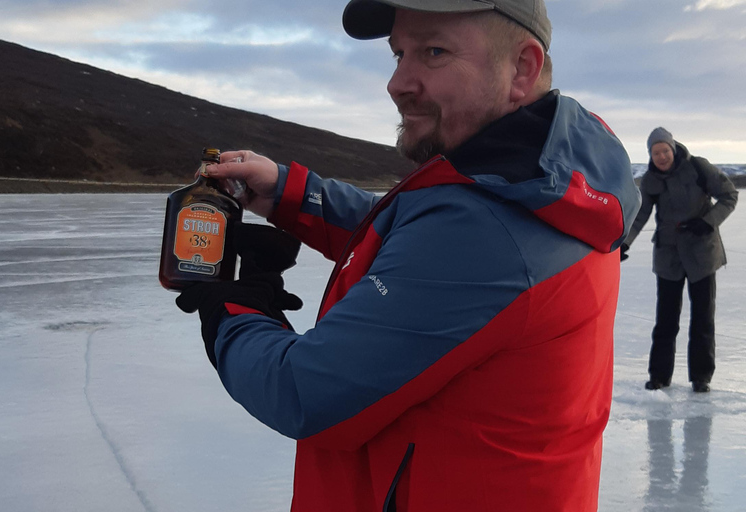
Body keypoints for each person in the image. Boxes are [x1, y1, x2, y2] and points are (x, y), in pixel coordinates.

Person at [175, 0, 640, 510]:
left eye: (434, 51)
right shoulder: (542, 182)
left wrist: (231, 306)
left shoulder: (485, 230)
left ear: (521, 69)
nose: (398, 82)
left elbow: (305, 392)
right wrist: (290, 194)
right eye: (399, 55)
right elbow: (421, 236)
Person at [621, 127, 738, 393]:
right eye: (655, 152)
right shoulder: (650, 180)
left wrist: (707, 222)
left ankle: (701, 377)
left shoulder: (698, 167)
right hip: (669, 257)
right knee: (666, 320)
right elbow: (640, 215)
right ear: (650, 155)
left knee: (702, 318)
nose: (662, 156)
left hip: (702, 255)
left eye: (665, 150)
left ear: (672, 149)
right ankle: (659, 376)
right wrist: (624, 242)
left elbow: (729, 195)